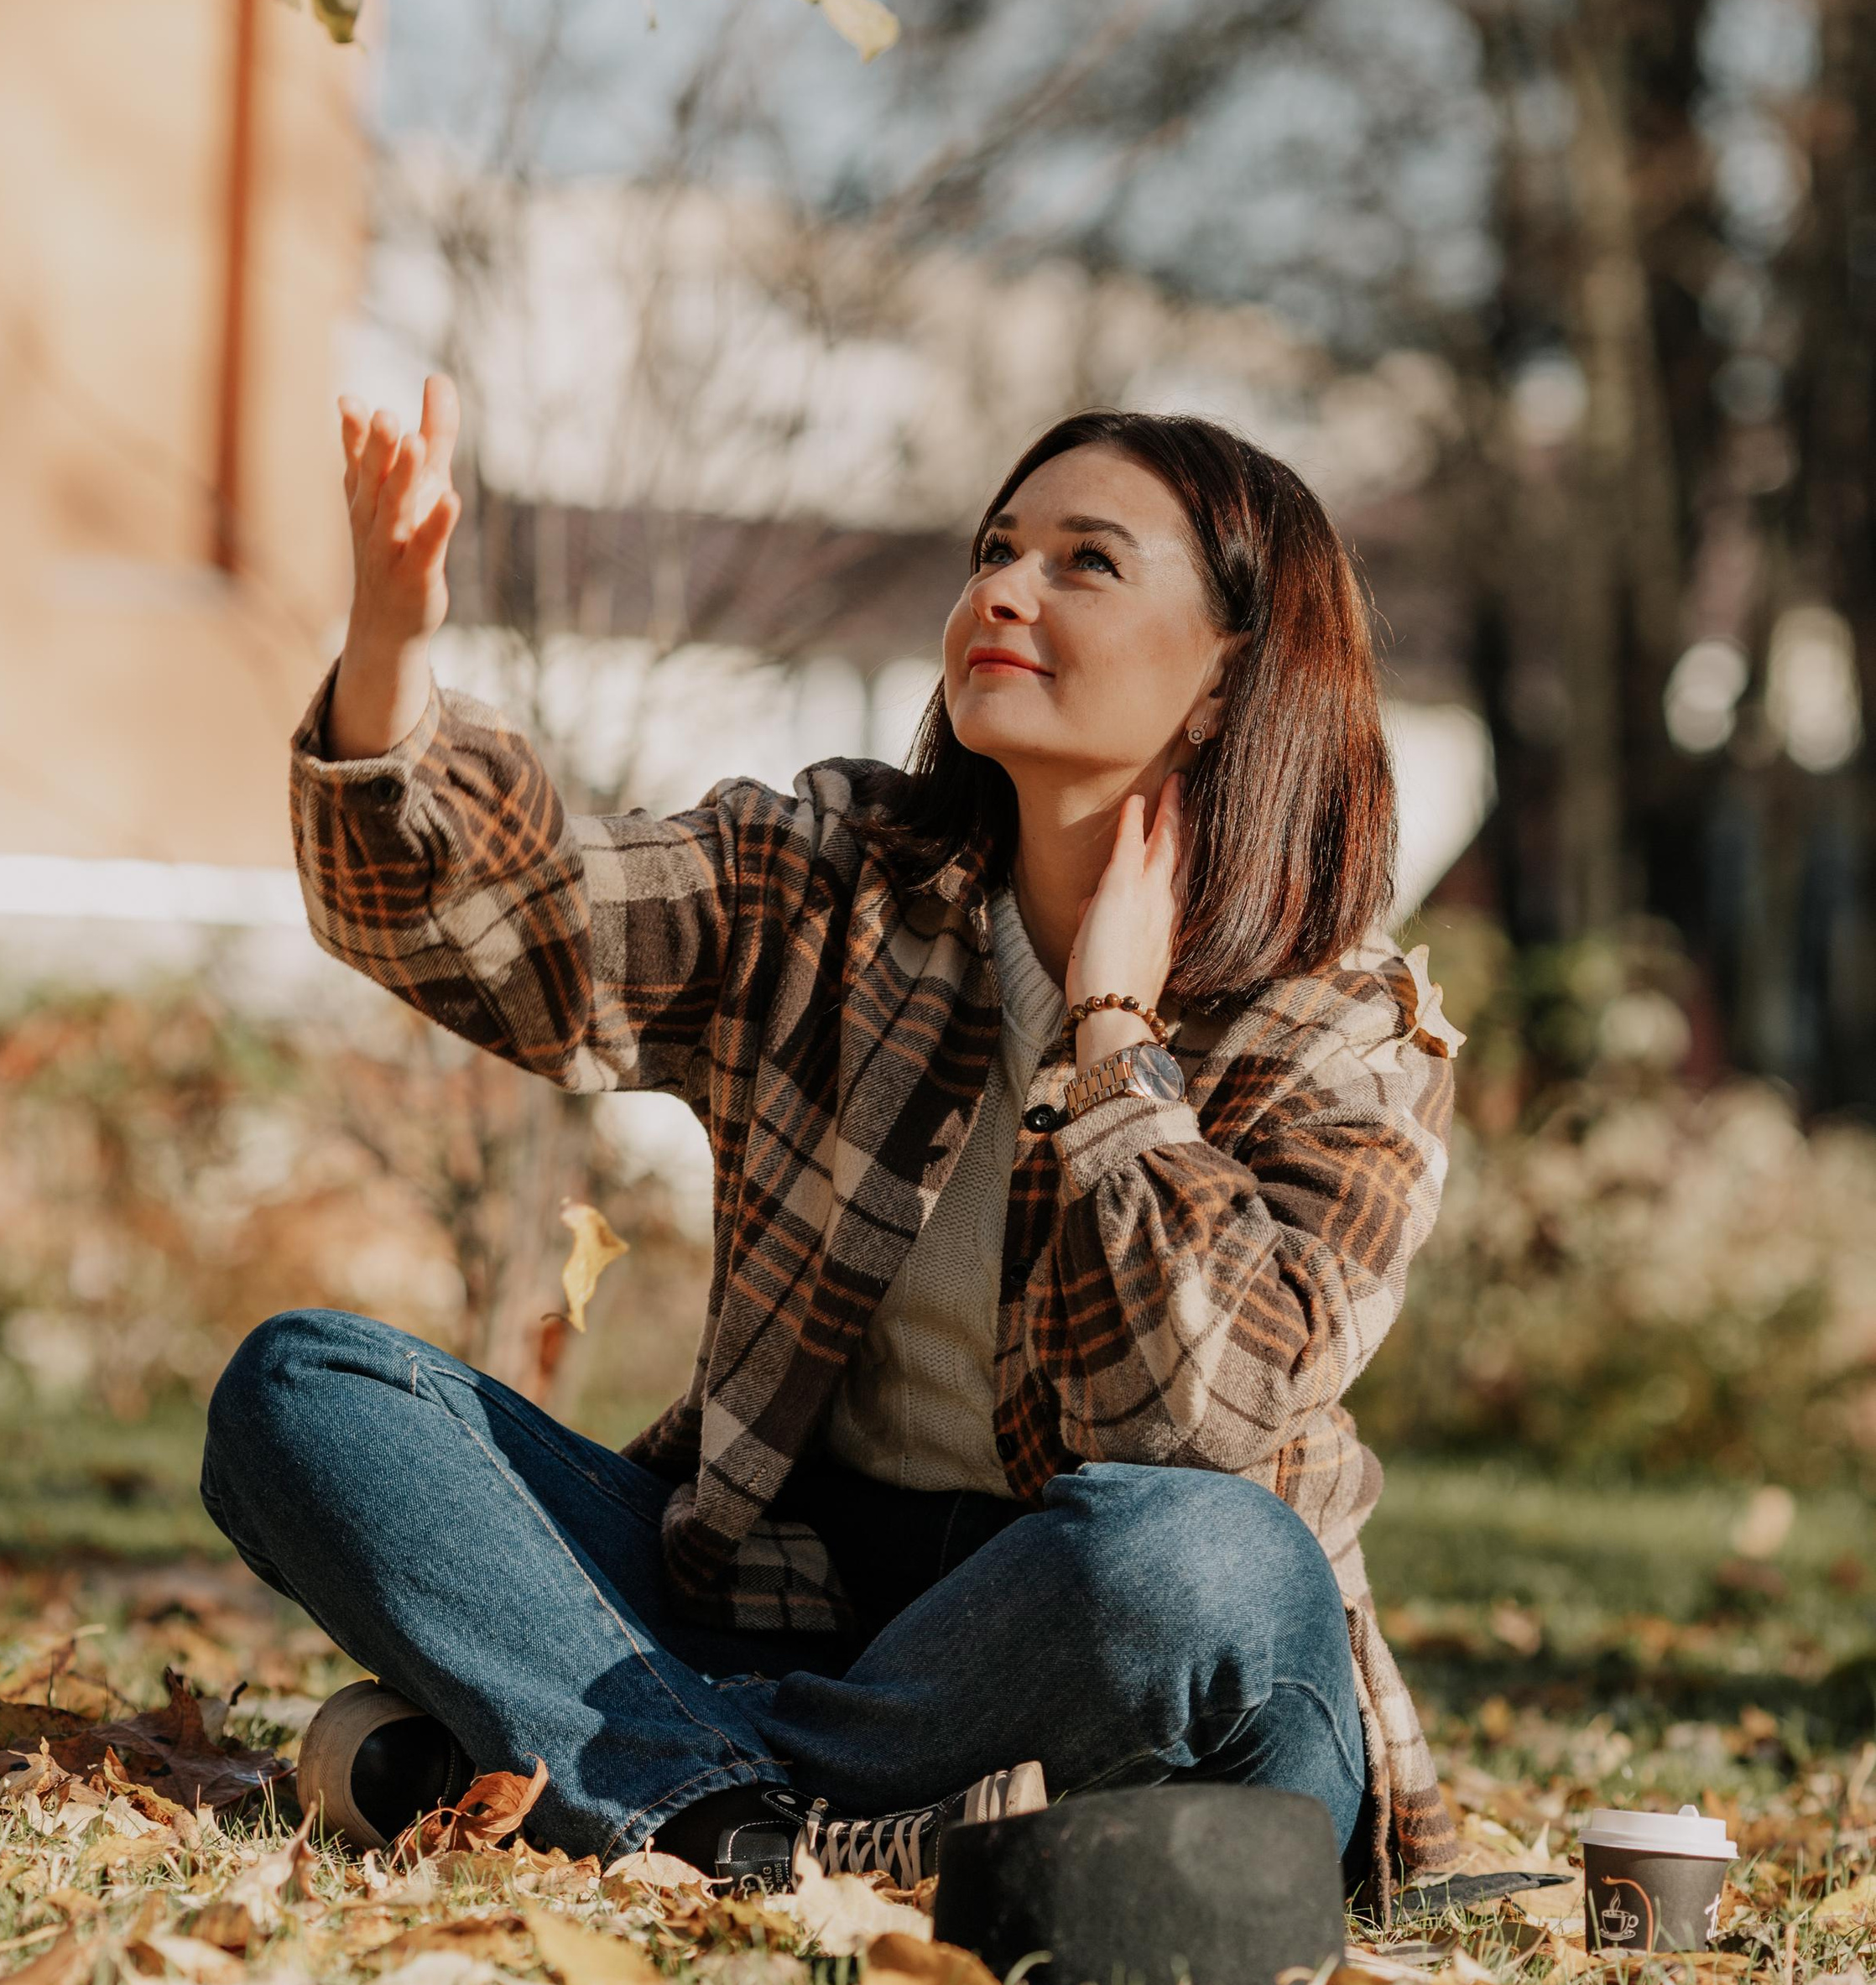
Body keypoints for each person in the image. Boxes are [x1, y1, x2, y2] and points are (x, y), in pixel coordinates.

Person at [201, 373, 1465, 1911]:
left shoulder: (1349, 1029)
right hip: (796, 1608)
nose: (1003, 587)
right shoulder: (832, 879)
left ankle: (614, 1779)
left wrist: (1116, 1035)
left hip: (1117, 1649)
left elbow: (1199, 1416)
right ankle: (746, 1816)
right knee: (309, 1391)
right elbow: (527, 938)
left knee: (1204, 1555)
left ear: (1226, 678)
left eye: (1087, 561)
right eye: (996, 549)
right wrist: (392, 656)